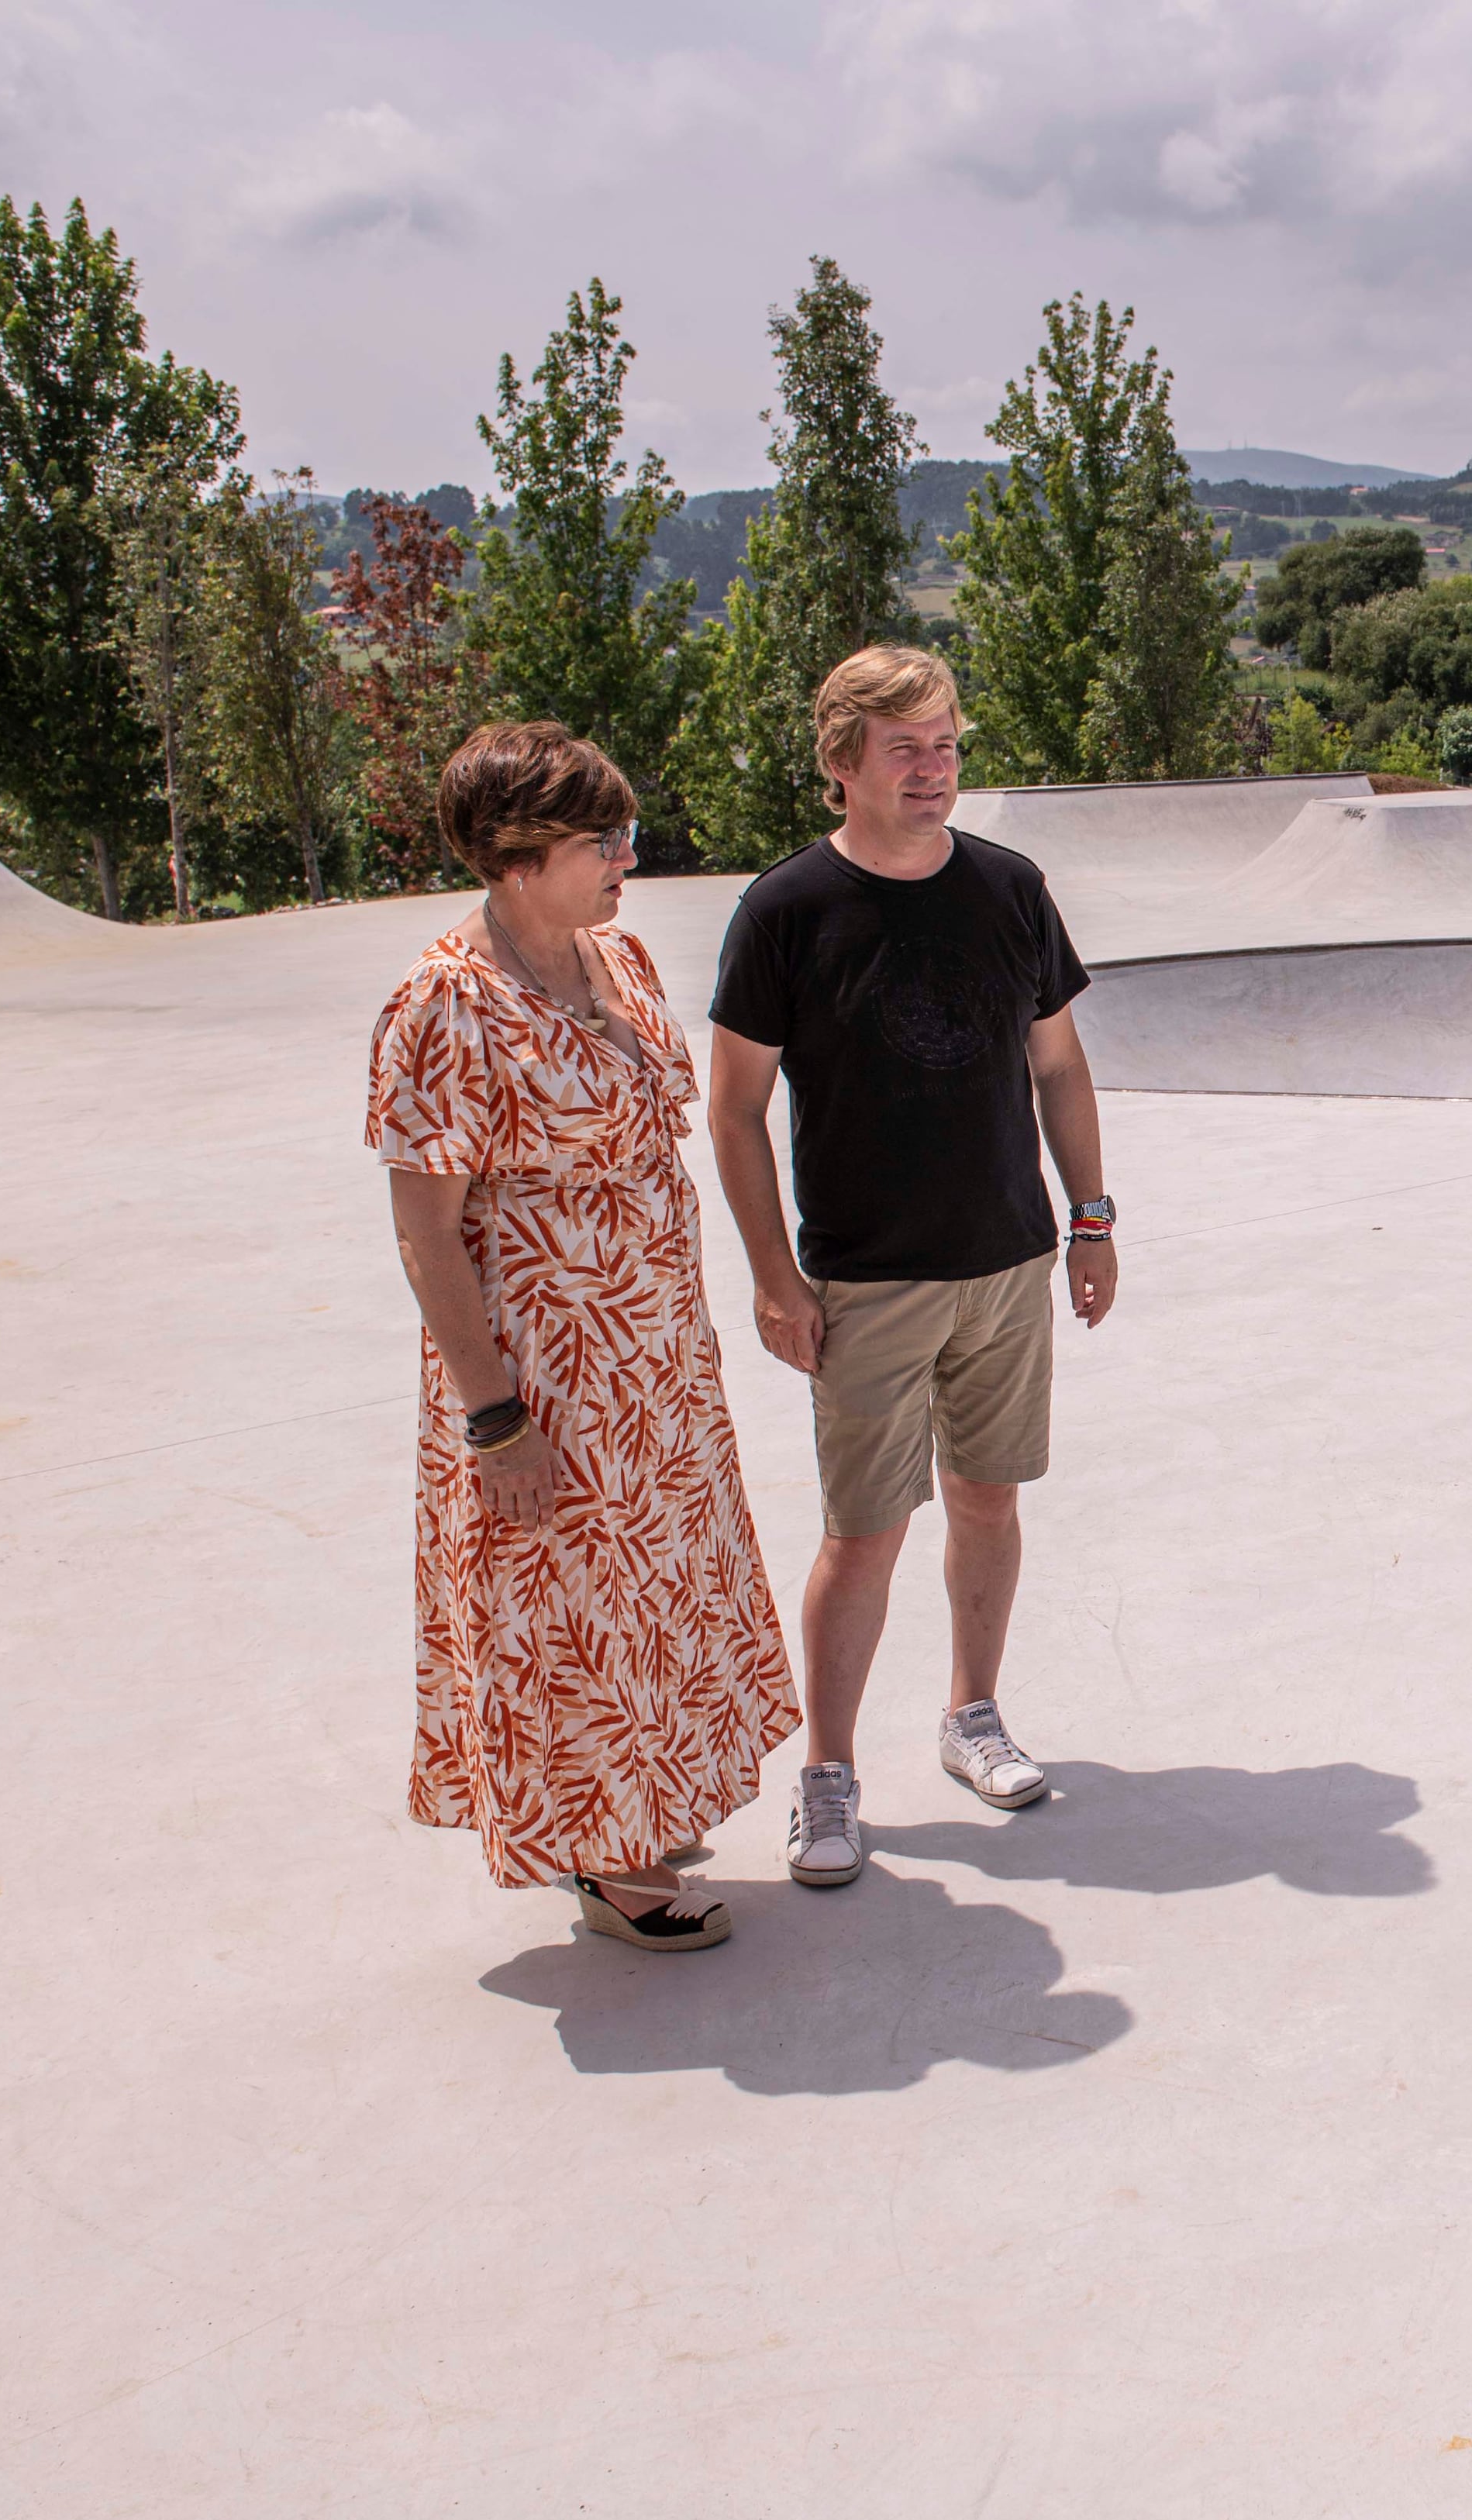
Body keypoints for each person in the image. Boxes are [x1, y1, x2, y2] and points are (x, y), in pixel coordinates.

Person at [367, 721, 803, 1953]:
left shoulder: (623, 958)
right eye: (599, 840)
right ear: (514, 857)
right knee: (570, 1604)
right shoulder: (446, 1006)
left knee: (652, 1592)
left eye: (626, 832)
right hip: (545, 1374)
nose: (627, 857)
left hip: (653, 1357)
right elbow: (425, 1235)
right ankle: (605, 1862)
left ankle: (642, 1805)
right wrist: (492, 1415)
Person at [707, 645, 1116, 1891]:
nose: (934, 770)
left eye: (945, 745)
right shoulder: (785, 911)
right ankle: (827, 1775)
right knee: (866, 1532)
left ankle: (972, 1716)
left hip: (1006, 1259)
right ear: (842, 764)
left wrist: (1089, 1219)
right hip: (867, 1278)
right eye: (905, 749)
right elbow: (732, 1110)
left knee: (990, 1501)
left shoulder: (1008, 888)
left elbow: (1058, 1066)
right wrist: (776, 1279)